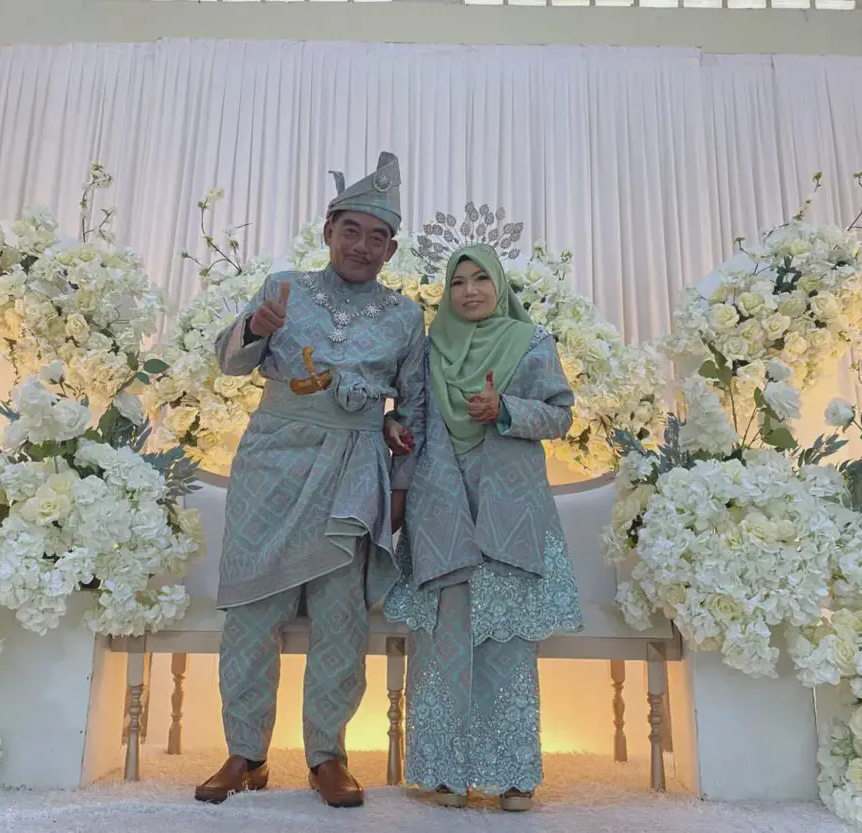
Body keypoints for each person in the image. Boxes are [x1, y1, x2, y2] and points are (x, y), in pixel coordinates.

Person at [195, 152, 425, 809]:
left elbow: (413, 411)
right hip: (272, 461)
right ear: (328, 232)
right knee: (251, 611)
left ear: (391, 249)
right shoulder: (283, 287)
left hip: (352, 470)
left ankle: (327, 753)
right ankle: (246, 752)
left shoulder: (406, 318)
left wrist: (399, 482)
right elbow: (229, 362)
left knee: (340, 615)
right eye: (351, 230)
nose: (362, 245)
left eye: (377, 236)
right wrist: (252, 328)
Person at [383, 243, 583, 812]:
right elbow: (411, 412)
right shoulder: (428, 351)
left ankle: (513, 773)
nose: (469, 291)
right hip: (440, 506)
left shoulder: (531, 342)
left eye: (480, 280)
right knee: (442, 639)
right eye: (458, 282)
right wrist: (394, 423)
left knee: (504, 642)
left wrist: (508, 410)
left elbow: (561, 415)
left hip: (507, 506)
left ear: (499, 286)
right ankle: (445, 772)